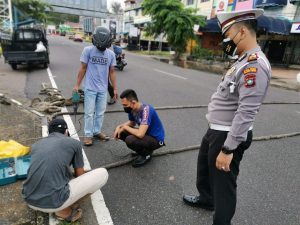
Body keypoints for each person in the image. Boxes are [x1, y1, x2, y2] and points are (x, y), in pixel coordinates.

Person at [183, 9, 271, 225]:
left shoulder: (254, 65)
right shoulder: (241, 59)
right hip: (216, 130)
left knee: (224, 185)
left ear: (242, 32)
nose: (225, 40)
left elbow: (247, 111)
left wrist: (228, 149)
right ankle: (206, 199)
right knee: (204, 170)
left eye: (227, 34)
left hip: (227, 136)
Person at [22, 118, 108, 223]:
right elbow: (80, 175)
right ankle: (64, 211)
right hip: (54, 204)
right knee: (103, 173)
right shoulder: (74, 143)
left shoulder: (36, 145)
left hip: (29, 200)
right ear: (67, 132)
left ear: (49, 132)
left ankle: (57, 204)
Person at [73, 26, 118, 146]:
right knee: (89, 112)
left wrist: (114, 89)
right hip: (90, 88)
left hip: (103, 90)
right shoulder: (88, 50)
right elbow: (83, 68)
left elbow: (112, 72)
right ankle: (88, 135)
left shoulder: (111, 54)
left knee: (100, 112)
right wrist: (77, 85)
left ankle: (96, 131)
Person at [114, 89, 165, 167]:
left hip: (156, 139)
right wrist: (119, 127)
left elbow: (140, 134)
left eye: (125, 105)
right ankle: (142, 150)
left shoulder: (146, 110)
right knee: (120, 132)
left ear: (133, 102)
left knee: (130, 139)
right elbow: (132, 122)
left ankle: (146, 155)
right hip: (146, 134)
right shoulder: (132, 109)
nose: (124, 107)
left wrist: (124, 127)